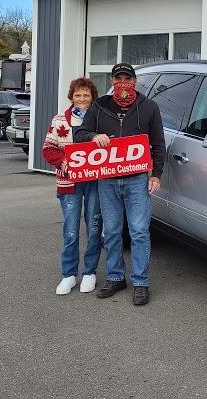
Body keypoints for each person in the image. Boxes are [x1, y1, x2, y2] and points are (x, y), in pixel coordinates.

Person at [74, 63, 165, 306]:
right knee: (112, 231)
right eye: (118, 78)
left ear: (135, 81)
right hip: (108, 179)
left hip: (137, 179)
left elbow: (158, 144)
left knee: (139, 231)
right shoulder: (99, 106)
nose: (123, 82)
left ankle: (141, 282)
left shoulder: (149, 107)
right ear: (112, 81)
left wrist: (156, 175)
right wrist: (94, 136)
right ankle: (115, 277)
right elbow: (79, 134)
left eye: (127, 78)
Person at [42, 77, 102, 295]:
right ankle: (68, 274)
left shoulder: (100, 120)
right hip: (69, 182)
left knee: (94, 228)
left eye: (86, 95)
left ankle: (89, 272)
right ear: (71, 97)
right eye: (78, 95)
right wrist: (63, 163)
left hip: (95, 182)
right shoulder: (60, 120)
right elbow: (48, 149)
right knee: (71, 231)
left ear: (92, 97)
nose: (82, 98)